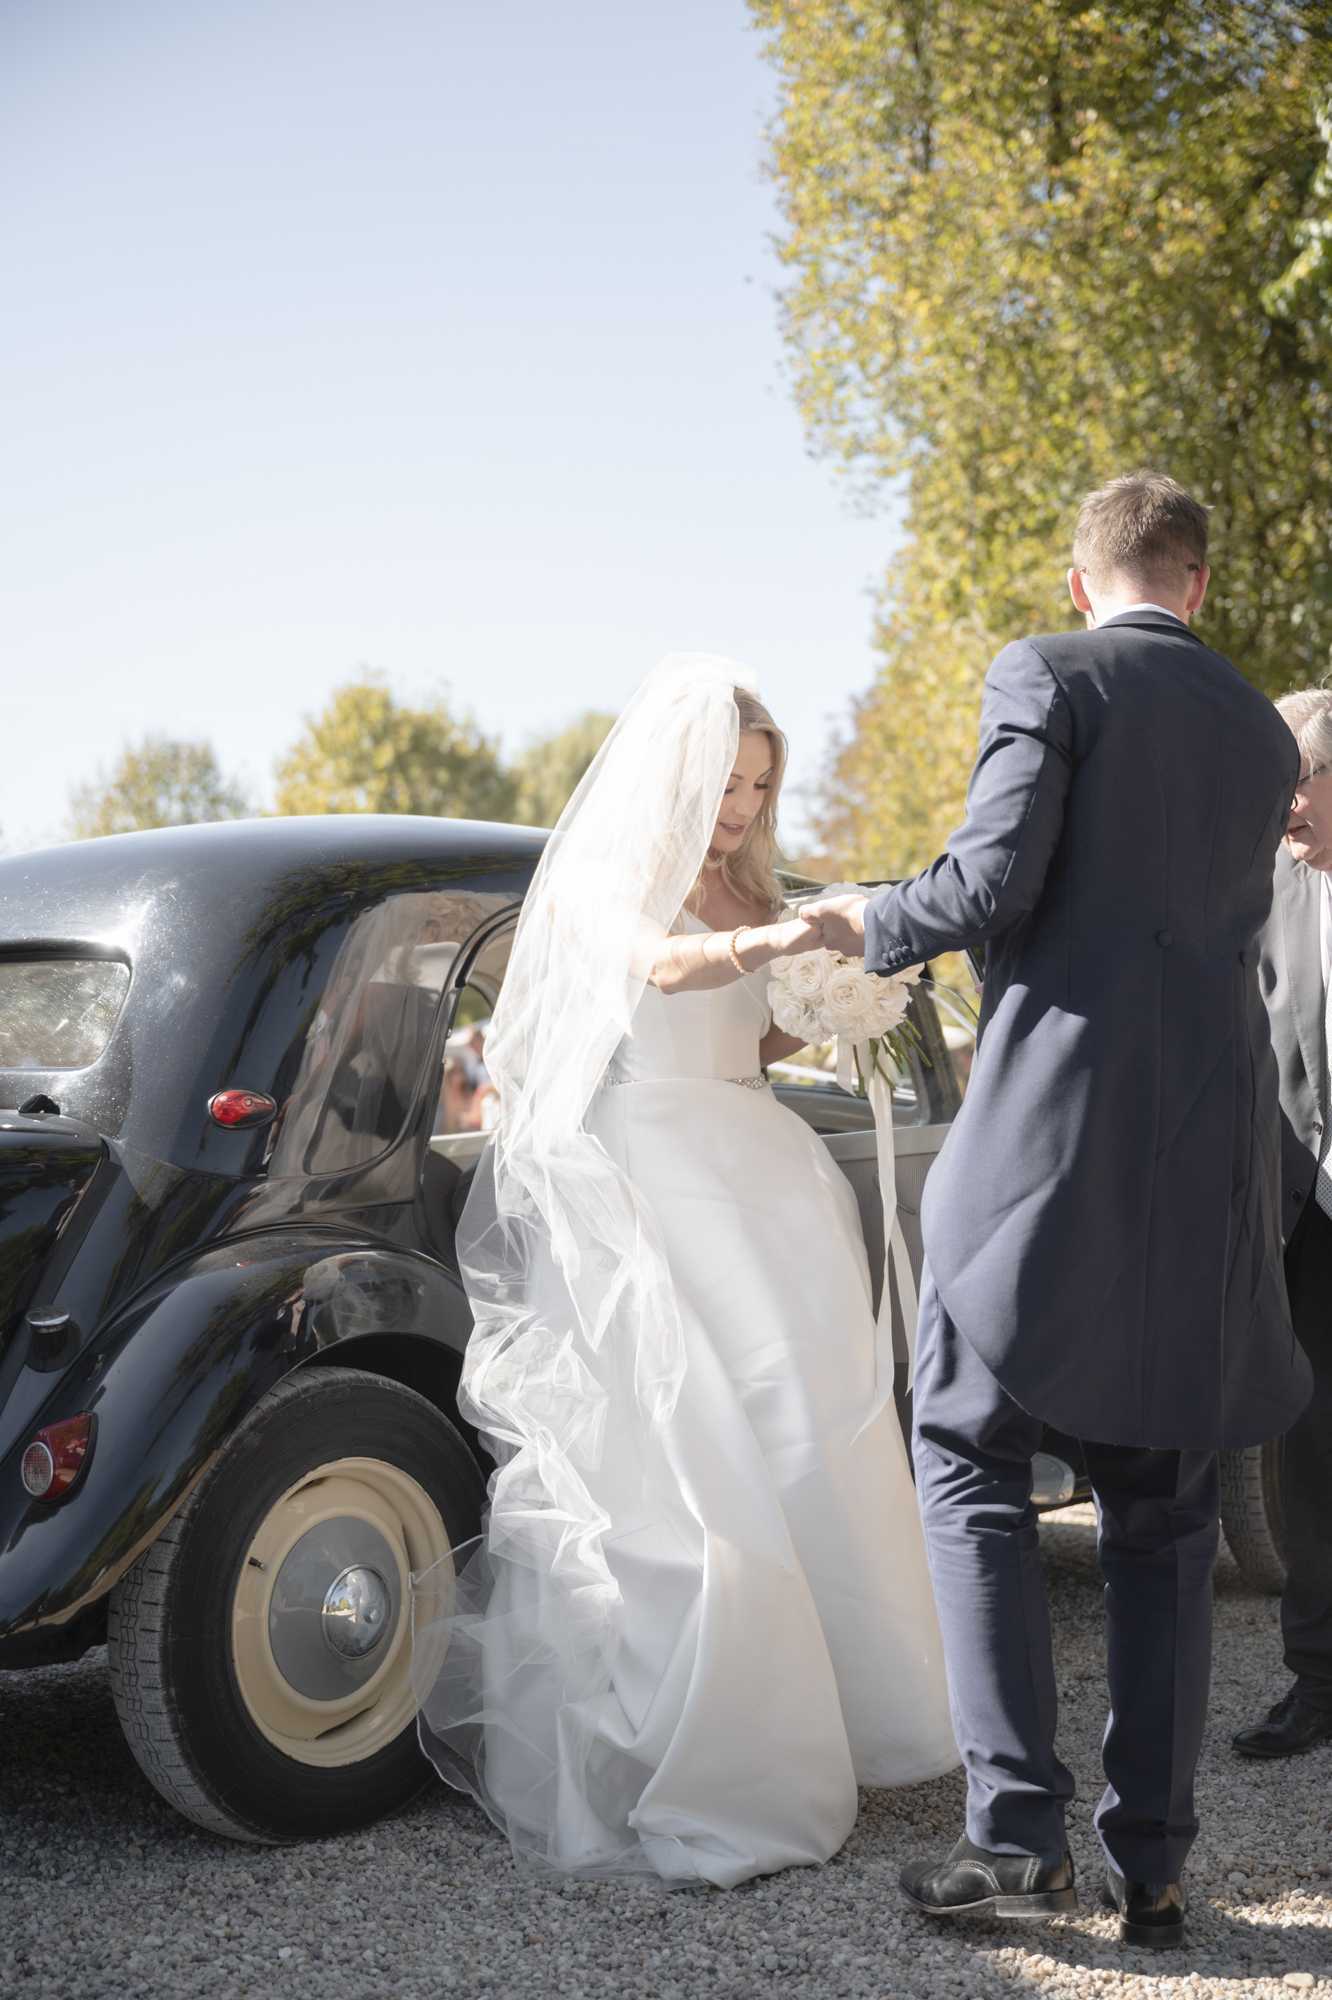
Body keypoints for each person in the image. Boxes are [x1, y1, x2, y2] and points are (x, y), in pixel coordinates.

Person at [807, 473, 1313, 1950]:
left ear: (1083, 579)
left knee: (965, 1452)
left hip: (1049, 1143)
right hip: (1207, 1151)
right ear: (1198, 587)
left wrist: (867, 921)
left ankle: (1014, 1837)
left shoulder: (1046, 671)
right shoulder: (1250, 725)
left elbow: (992, 877)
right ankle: (1151, 1866)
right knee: (1162, 1518)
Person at [412, 656, 957, 1886]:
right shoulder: (612, 883)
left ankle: (858, 1721)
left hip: (762, 1166)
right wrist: (799, 930)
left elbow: (747, 1029)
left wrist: (829, 1002)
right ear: (677, 776)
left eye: (761, 786)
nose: (745, 809)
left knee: (816, 1436)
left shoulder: (744, 881)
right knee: (702, 1452)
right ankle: (724, 1750)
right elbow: (663, 971)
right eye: (728, 783)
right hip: (663, 1176)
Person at [1233, 689, 1332, 1760]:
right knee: (1311, 1457)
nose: (1283, 805)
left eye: (1296, 778)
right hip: (1314, 1223)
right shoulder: (1268, 891)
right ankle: (1317, 1683)